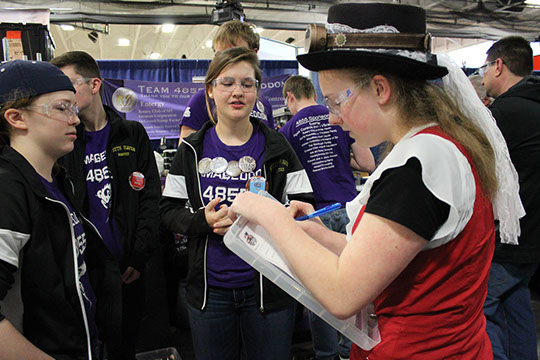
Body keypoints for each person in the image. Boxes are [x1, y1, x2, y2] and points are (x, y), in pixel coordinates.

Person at [224, 3, 523, 359]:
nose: (332, 119)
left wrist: (267, 213)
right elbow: (378, 257)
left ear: (380, 88)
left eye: (336, 102)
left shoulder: (421, 164)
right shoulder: (428, 149)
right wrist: (316, 234)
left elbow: (341, 293)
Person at [160, 47, 314, 360]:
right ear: (210, 91)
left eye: (247, 83)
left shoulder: (276, 145)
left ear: (257, 90)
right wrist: (202, 221)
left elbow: (304, 203)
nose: (237, 92)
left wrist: (275, 217)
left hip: (269, 292)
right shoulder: (190, 150)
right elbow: (167, 211)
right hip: (209, 292)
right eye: (227, 82)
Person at [50, 51, 161, 360]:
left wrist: (139, 256)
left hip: (129, 270)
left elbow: (150, 200)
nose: (64, 96)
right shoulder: (63, 141)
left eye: (69, 85)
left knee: (125, 345)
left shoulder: (132, 134)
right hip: (83, 271)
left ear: (94, 84)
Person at [0, 60, 114, 359]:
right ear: (16, 117)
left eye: (74, 109)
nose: (75, 119)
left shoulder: (56, 181)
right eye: (62, 108)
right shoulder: (8, 190)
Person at [280, 75, 374, 360]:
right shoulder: (339, 117)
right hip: (349, 209)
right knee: (356, 286)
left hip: (315, 215)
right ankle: (350, 351)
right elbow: (368, 163)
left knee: (320, 292)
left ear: (289, 98)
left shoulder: (287, 130)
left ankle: (326, 354)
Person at [480, 36, 540, 360]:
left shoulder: (500, 114)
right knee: (517, 306)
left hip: (508, 238)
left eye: (485, 68)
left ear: (499, 65)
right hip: (533, 239)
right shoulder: (534, 106)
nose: (484, 76)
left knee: (482, 309)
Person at [178, 20, 275, 145]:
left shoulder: (264, 105)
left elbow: (273, 149)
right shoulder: (202, 100)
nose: (227, 60)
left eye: (236, 53)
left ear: (254, 54)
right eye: (220, 55)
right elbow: (186, 151)